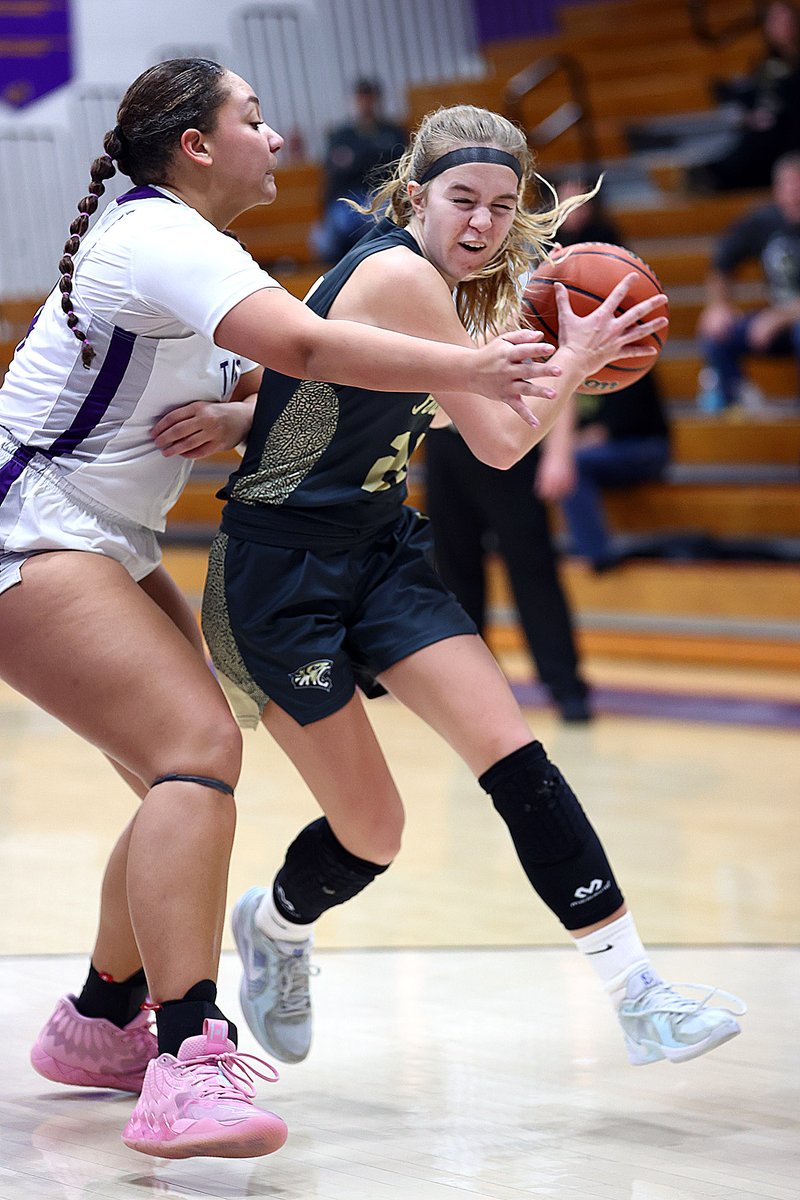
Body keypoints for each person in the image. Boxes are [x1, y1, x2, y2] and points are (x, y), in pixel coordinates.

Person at [0, 61, 551, 1161]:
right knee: (195, 754)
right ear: (196, 146)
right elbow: (304, 349)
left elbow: (285, 383)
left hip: (102, 535)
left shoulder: (201, 251)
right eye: (252, 119)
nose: (277, 137)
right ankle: (186, 1060)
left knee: (176, 778)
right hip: (32, 525)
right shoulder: (158, 234)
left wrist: (236, 412)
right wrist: (476, 365)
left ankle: (101, 1021)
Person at [200, 105, 744, 1078]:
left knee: (515, 756)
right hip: (277, 573)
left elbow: (423, 414)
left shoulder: (444, 290)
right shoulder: (402, 276)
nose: (484, 223)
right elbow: (496, 443)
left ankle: (637, 994)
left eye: (500, 205)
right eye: (463, 199)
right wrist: (576, 360)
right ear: (416, 198)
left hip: (377, 551)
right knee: (375, 833)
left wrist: (554, 364)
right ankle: (275, 926)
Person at [534, 179, 671, 572]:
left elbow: (613, 427)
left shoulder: (622, 347)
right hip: (599, 444)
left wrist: (562, 449)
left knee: (570, 461)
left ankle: (597, 557)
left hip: (642, 445)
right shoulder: (557, 343)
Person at [423, 423, 592, 722]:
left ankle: (565, 684)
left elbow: (563, 391)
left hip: (507, 436)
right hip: (445, 440)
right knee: (454, 573)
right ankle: (471, 686)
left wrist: (558, 452)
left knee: (532, 566)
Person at [696, 150, 800, 411]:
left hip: (788, 321)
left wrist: (781, 317)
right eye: (788, 187)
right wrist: (719, 305)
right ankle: (736, 406)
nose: (794, 195)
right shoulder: (765, 221)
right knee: (718, 334)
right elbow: (721, 264)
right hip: (779, 321)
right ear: (776, 191)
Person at [686, 0, 800, 192]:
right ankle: (715, 175)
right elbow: (757, 97)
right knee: (756, 133)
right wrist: (751, 115)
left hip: (790, 132)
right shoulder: (766, 63)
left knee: (766, 136)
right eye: (775, 20)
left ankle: (717, 174)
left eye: (787, 19)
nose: (783, 25)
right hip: (769, 131)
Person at [309, 77, 407, 264]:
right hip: (347, 198)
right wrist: (374, 155)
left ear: (376, 99)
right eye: (361, 97)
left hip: (382, 195)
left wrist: (357, 158)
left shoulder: (393, 132)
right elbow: (335, 172)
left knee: (380, 220)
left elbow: (399, 167)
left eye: (368, 97)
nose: (365, 102)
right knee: (328, 235)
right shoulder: (340, 135)